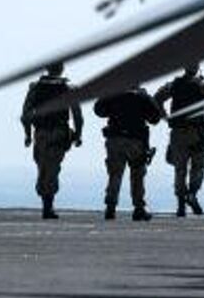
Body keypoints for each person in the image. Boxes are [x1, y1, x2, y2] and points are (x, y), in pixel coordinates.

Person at [153, 63, 204, 217]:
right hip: (197, 133)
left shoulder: (173, 85)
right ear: (196, 68)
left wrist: (166, 117)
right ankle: (192, 194)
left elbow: (157, 99)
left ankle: (181, 205)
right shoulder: (203, 85)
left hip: (177, 133)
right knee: (198, 167)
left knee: (180, 169)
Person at [21, 63, 83, 219]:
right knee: (52, 168)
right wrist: (78, 135)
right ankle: (47, 206)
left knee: (43, 167)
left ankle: (46, 204)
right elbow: (77, 115)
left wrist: (28, 134)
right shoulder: (68, 88)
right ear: (61, 69)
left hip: (41, 133)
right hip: (59, 133)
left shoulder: (36, 88)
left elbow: (25, 114)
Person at [94, 87, 163, 221]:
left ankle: (110, 207)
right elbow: (155, 119)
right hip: (136, 141)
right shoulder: (142, 97)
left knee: (115, 174)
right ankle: (139, 209)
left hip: (115, 140)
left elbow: (99, 110)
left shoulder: (113, 94)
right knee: (137, 175)